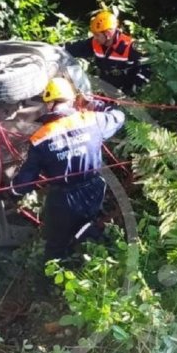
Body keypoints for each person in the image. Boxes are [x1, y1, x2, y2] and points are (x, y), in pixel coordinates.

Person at [11, 77, 125, 261]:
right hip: (95, 188)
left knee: (56, 243)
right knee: (86, 222)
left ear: (49, 105)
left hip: (64, 199)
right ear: (72, 100)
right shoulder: (92, 120)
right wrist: (97, 104)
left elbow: (27, 179)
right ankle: (103, 254)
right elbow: (118, 117)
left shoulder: (40, 138)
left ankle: (57, 274)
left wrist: (13, 191)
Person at [65, 10, 151, 95]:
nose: (95, 38)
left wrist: (132, 90)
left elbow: (145, 70)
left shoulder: (130, 47)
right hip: (104, 90)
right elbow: (75, 48)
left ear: (108, 34)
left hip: (124, 94)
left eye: (97, 35)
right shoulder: (95, 43)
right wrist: (58, 49)